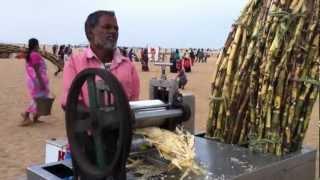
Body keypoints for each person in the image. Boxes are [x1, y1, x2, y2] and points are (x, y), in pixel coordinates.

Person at [62, 10, 140, 108]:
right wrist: (101, 119)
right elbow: (71, 104)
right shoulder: (74, 63)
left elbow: (133, 104)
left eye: (116, 28)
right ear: (90, 32)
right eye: (107, 27)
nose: (113, 31)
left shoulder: (128, 66)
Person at [21, 38, 50, 126]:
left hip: (33, 80)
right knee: (39, 98)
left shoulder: (30, 54)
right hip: (37, 80)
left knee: (41, 98)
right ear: (36, 45)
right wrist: (41, 82)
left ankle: (35, 117)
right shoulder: (35, 55)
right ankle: (26, 114)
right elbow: (37, 70)